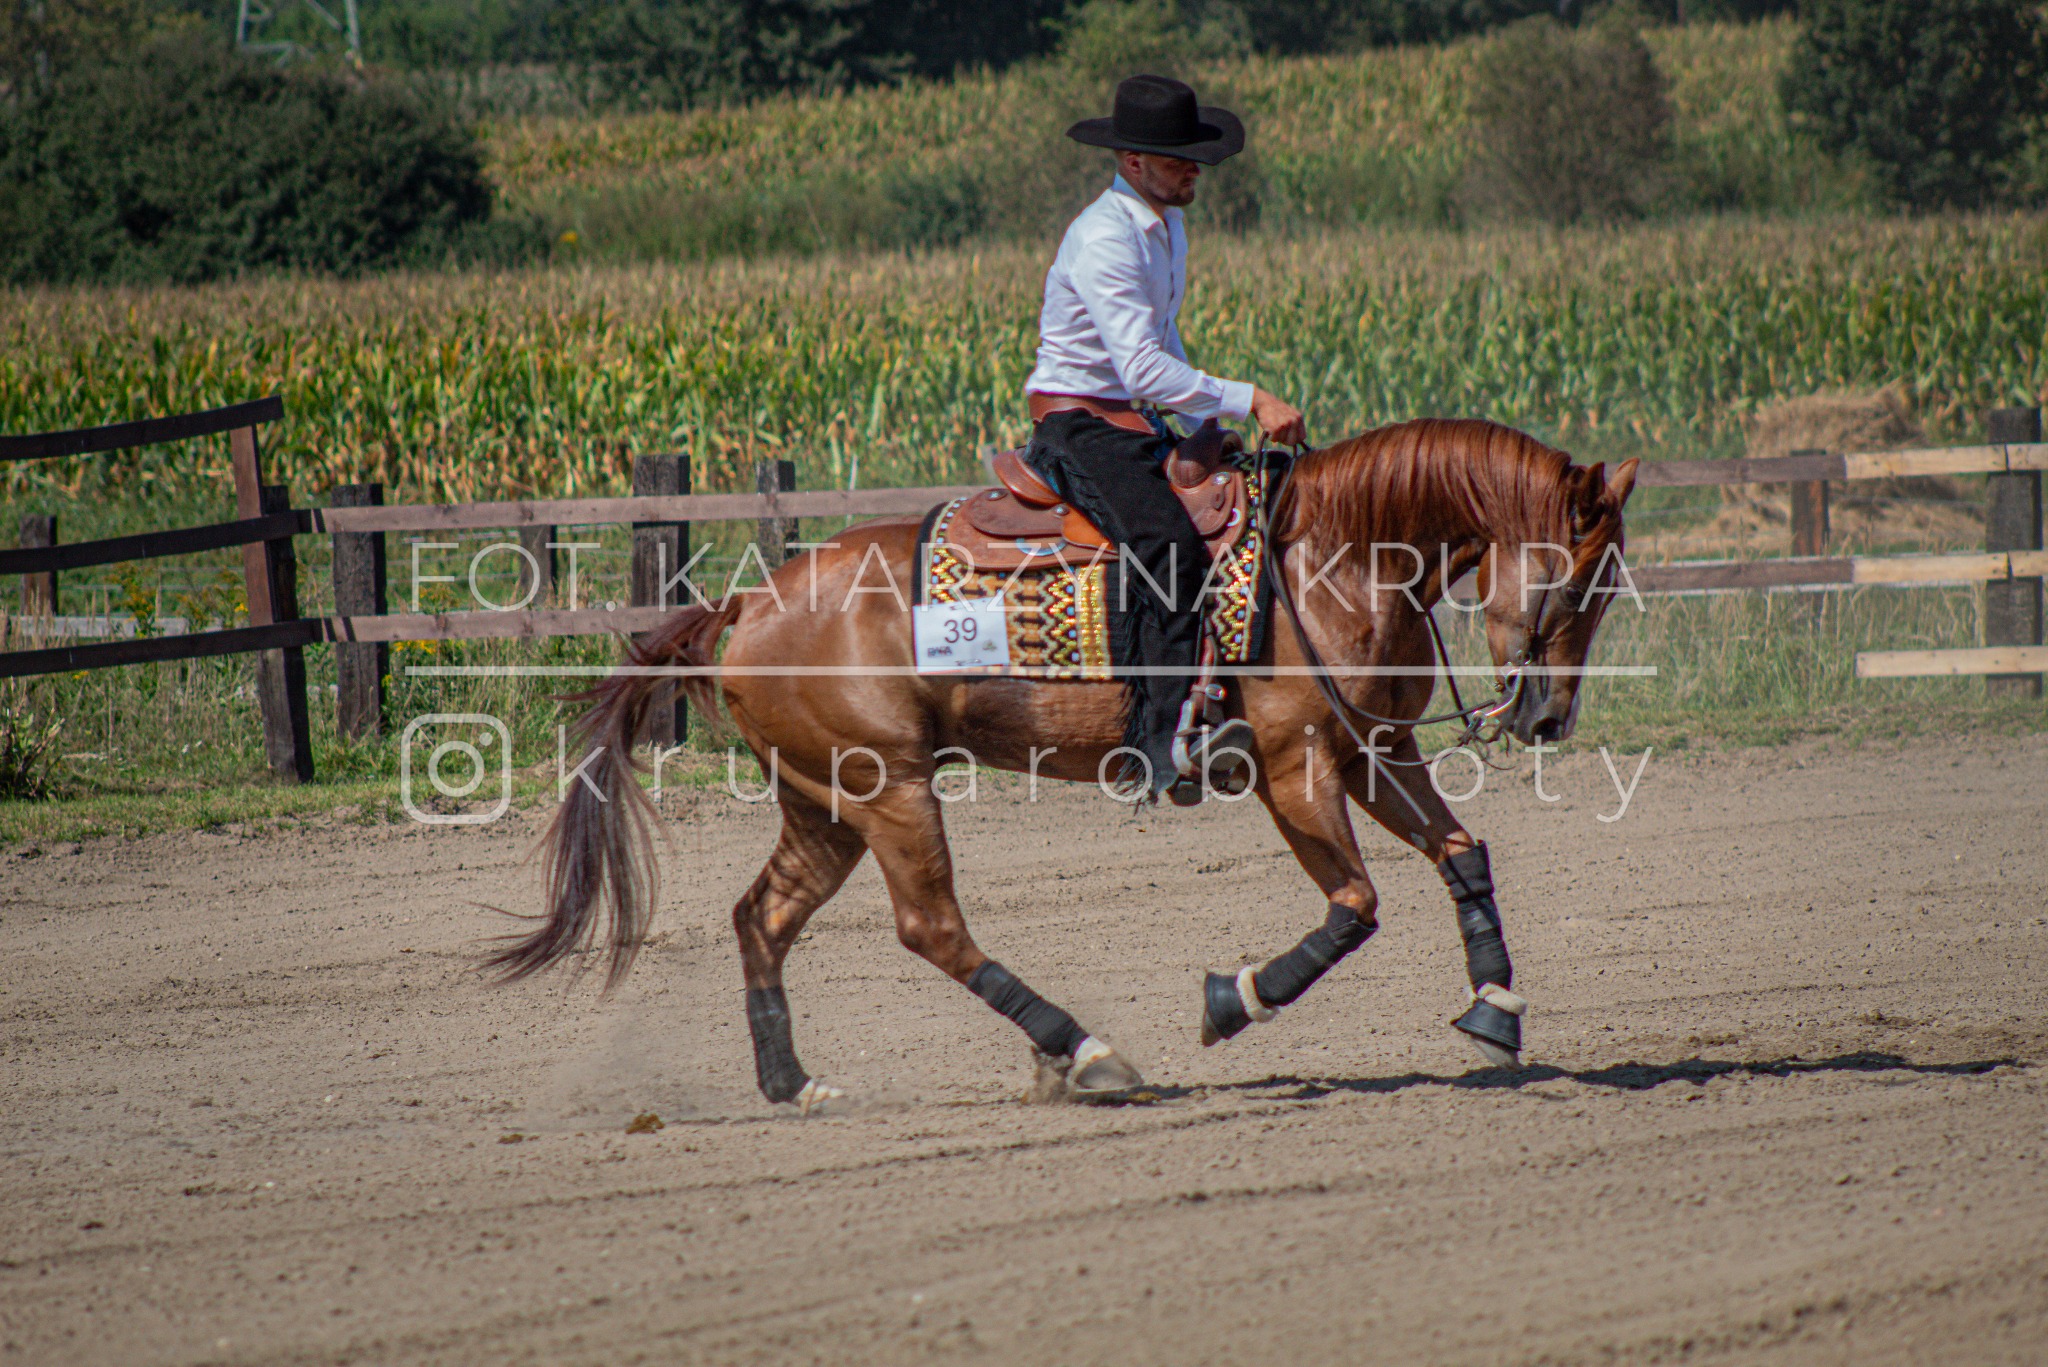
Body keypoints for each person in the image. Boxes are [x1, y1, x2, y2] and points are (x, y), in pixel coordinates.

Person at [1024, 73, 1306, 799]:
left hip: (1131, 419)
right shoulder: (1104, 237)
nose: (1194, 171)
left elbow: (1162, 339)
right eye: (1179, 159)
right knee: (1168, 548)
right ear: (1132, 162)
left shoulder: (1165, 227)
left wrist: (1203, 422)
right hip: (1079, 425)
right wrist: (1248, 399)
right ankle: (1161, 744)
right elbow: (1141, 366)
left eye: (1195, 159)